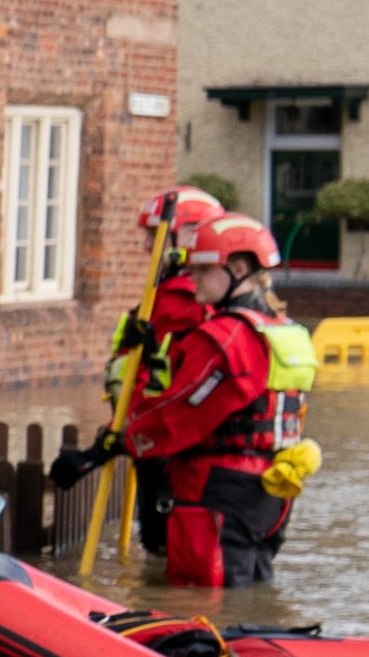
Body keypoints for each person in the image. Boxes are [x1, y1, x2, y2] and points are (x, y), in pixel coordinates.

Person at [109, 214, 313, 587]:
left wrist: (122, 441)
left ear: (238, 268)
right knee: (251, 592)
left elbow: (178, 415)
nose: (193, 278)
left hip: (217, 491)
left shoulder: (224, 338)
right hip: (271, 493)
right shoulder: (288, 331)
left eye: (202, 268)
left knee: (203, 599)